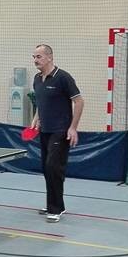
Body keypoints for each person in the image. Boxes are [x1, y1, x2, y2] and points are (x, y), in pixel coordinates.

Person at [30, 43, 83, 223]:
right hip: (44, 130)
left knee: (53, 167)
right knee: (47, 168)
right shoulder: (37, 79)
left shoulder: (63, 77)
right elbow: (41, 102)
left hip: (61, 131)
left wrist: (73, 127)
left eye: (39, 56)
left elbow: (79, 102)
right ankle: (56, 204)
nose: (35, 60)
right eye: (34, 57)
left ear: (50, 57)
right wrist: (36, 118)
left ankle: (55, 209)